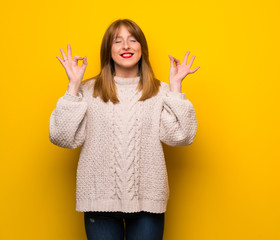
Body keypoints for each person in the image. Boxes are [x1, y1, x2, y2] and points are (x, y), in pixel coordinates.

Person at [49, 18, 199, 240]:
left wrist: (176, 90)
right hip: (100, 202)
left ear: (142, 48)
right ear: (108, 50)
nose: (126, 46)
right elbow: (62, 136)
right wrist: (73, 86)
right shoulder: (88, 90)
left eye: (132, 40)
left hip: (148, 203)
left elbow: (182, 136)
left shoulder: (160, 91)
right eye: (118, 41)